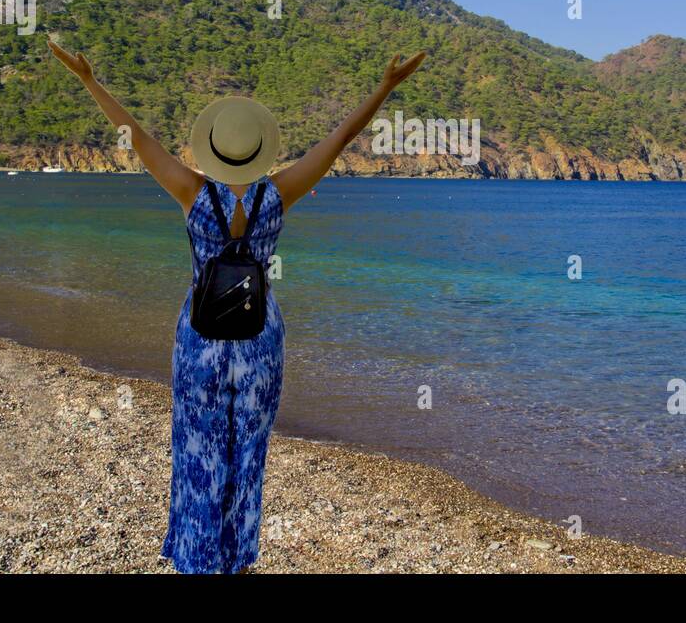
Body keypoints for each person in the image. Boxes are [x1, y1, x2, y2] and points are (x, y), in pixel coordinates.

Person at [47, 39, 425, 573]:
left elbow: (134, 136)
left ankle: (195, 557)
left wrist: (89, 80)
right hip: (260, 342)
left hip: (200, 339)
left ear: (212, 148)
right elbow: (341, 138)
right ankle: (236, 558)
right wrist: (385, 87)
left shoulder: (190, 191)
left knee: (197, 449)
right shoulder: (281, 192)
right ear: (260, 150)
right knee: (249, 456)